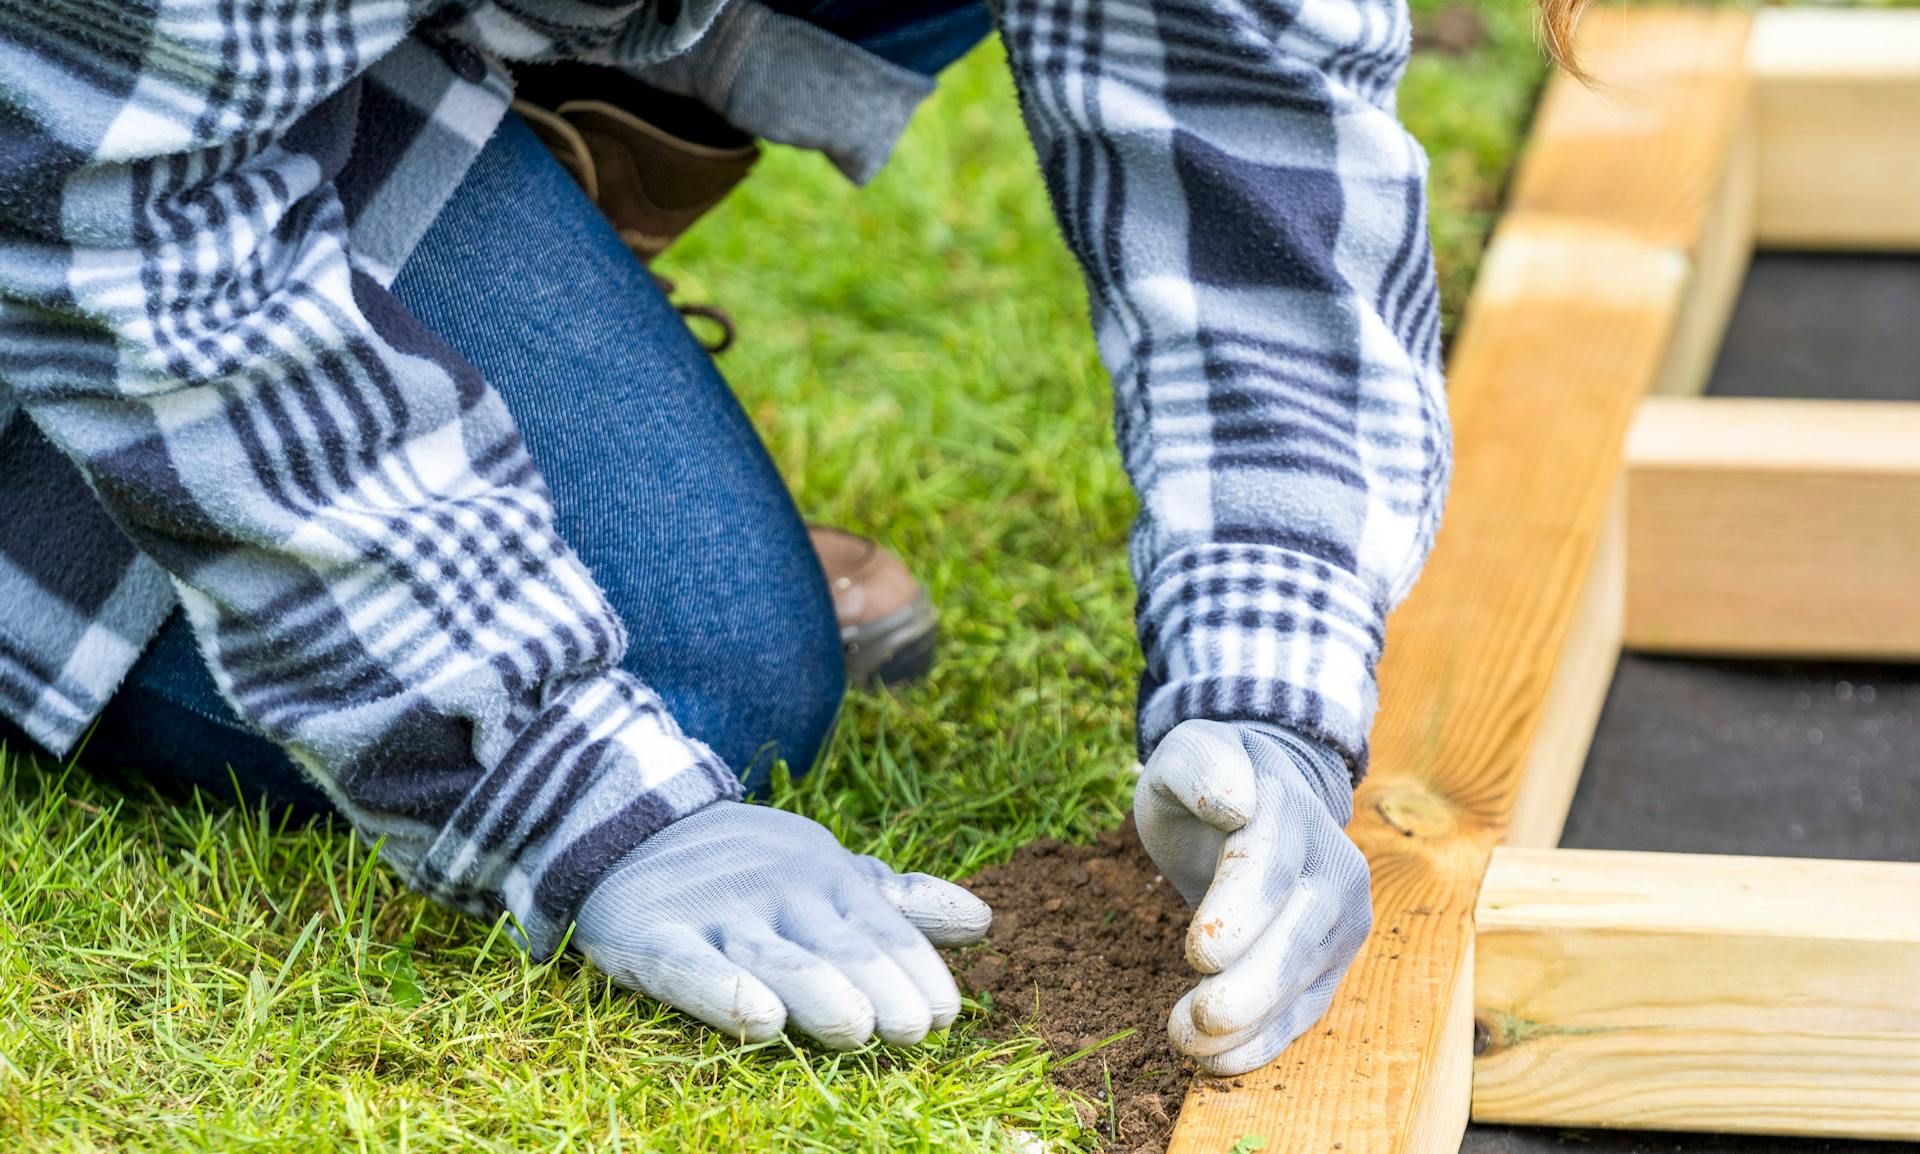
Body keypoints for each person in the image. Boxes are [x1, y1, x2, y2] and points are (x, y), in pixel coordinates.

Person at [0, 0, 1447, 1074]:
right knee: (696, 673)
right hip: (69, 135)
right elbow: (97, 188)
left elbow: (1238, 86)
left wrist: (1272, 690)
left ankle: (424, 269)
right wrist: (557, 779)